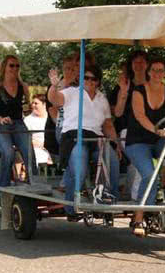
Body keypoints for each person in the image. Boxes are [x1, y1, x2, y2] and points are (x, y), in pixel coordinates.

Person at [48, 63, 121, 220]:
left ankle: (111, 201)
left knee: (113, 162)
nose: (89, 81)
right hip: (75, 136)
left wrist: (116, 144)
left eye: (93, 78)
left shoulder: (102, 99)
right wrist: (54, 86)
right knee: (78, 168)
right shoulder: (71, 93)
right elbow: (54, 99)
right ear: (80, 79)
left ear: (98, 81)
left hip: (96, 137)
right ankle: (71, 206)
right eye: (85, 77)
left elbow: (107, 124)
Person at [124, 56, 165, 237]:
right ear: (149, 72)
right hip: (137, 141)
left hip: (157, 140)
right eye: (154, 70)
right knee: (150, 175)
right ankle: (139, 217)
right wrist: (156, 129)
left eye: (161, 71)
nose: (157, 74)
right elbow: (139, 115)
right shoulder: (138, 90)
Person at [0, 54, 36, 187]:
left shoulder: (23, 86)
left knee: (29, 152)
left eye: (17, 66)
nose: (14, 68)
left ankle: (35, 184)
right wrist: (0, 119)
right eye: (11, 65)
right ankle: (3, 187)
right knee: (8, 152)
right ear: (4, 67)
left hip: (18, 123)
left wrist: (29, 109)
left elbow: (26, 108)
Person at [109, 51, 148, 201]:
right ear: (131, 66)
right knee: (139, 157)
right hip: (127, 129)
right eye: (135, 62)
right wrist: (124, 93)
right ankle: (137, 198)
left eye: (142, 62)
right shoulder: (123, 86)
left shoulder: (153, 84)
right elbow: (116, 112)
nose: (139, 65)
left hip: (150, 130)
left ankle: (158, 192)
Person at [24, 94, 51, 166]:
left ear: (44, 104)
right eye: (32, 103)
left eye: (36, 103)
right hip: (36, 148)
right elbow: (25, 138)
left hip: (51, 147)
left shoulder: (50, 117)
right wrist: (41, 145)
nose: (33, 105)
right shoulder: (28, 120)